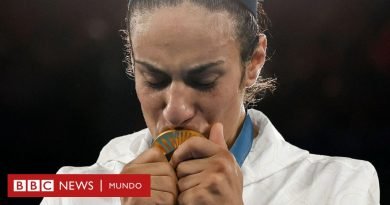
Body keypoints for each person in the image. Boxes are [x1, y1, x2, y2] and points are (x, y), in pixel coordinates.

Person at [41, 0, 380, 204]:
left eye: (203, 80)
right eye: (154, 79)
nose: (175, 109)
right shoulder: (73, 190)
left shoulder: (340, 186)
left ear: (254, 61)